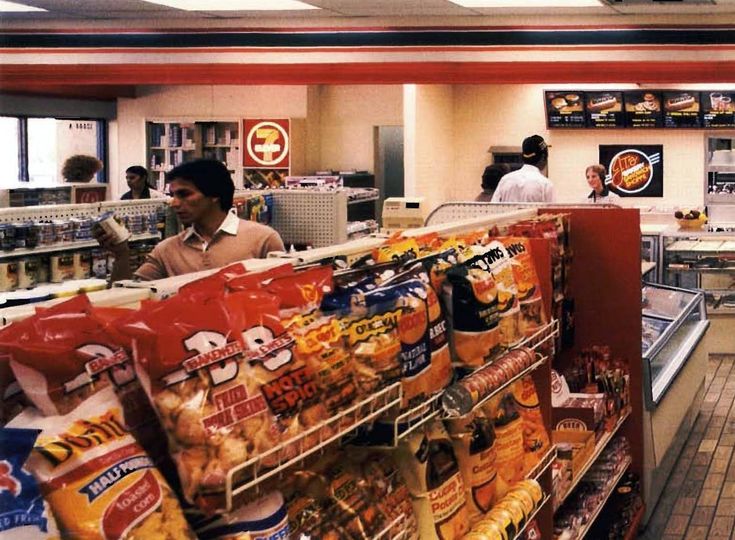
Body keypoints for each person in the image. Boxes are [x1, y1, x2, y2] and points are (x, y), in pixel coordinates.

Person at [95, 159, 285, 282]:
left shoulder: (263, 239)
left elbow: (285, 301)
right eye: (173, 195)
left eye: (184, 194)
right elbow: (128, 299)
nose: (174, 203)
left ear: (214, 194)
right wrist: (121, 255)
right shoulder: (167, 250)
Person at [491, 135, 555, 203]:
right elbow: (551, 212)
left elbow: (492, 209)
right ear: (543, 157)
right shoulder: (545, 185)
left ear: (523, 156)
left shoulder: (505, 180)